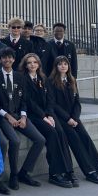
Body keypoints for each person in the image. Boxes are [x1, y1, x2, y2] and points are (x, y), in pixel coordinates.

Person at [0, 48, 45, 194]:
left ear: (14, 60)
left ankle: (25, 172)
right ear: (0, 60)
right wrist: (7, 116)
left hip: (19, 115)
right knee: (14, 141)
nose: (7, 60)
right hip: (3, 116)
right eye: (4, 58)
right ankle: (13, 175)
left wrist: (23, 116)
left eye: (10, 57)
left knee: (40, 140)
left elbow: (24, 100)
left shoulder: (20, 77)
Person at [48, 56, 98, 185]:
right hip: (61, 119)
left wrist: (74, 117)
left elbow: (77, 102)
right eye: (60, 64)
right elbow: (53, 104)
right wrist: (68, 119)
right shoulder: (51, 82)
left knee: (85, 138)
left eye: (65, 64)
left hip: (74, 117)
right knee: (75, 139)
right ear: (56, 67)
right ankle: (90, 172)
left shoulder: (72, 80)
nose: (63, 66)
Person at [19, 53, 76, 188]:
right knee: (52, 133)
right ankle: (55, 173)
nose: (32, 65)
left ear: (39, 64)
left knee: (60, 132)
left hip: (47, 114)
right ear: (25, 65)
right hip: (33, 115)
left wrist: (50, 115)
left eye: (35, 62)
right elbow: (29, 101)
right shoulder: (22, 79)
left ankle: (68, 170)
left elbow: (50, 99)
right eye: (29, 63)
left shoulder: (43, 78)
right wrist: (43, 117)